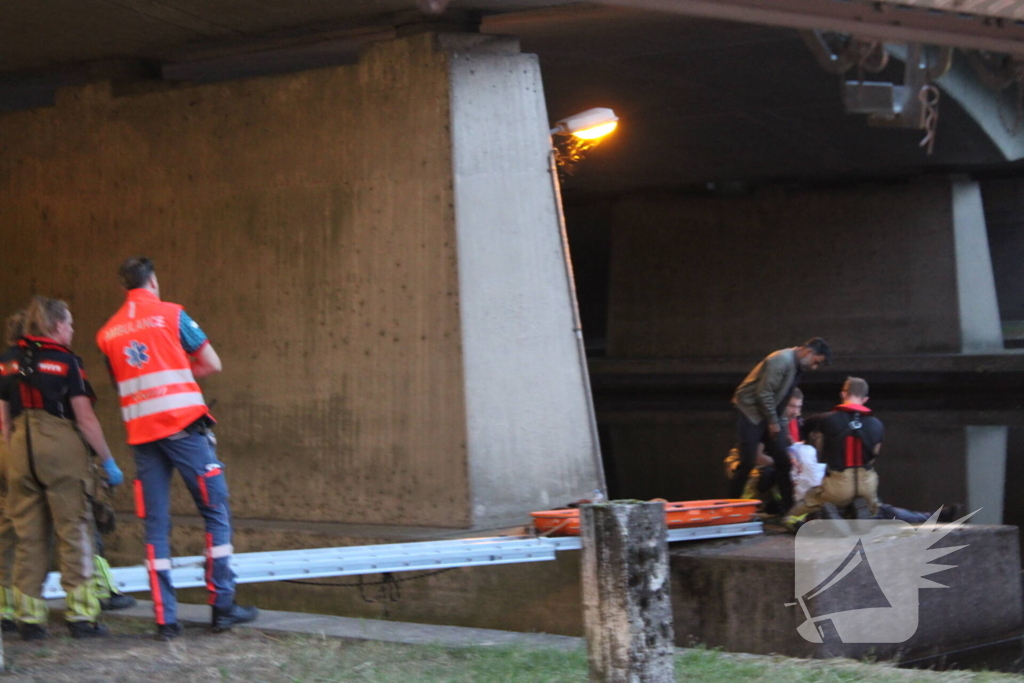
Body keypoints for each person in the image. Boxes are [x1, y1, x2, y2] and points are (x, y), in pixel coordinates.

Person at [96, 257, 257, 640]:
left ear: (124, 288)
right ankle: (222, 607)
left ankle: (165, 620)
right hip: (184, 428)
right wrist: (182, 371)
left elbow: (122, 382)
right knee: (215, 512)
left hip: (142, 436)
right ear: (152, 281)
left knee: (155, 525)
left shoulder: (108, 334)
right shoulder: (172, 315)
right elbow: (211, 363)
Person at [0, 296, 124, 640]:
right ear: (56, 326)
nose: (72, 329)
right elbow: (85, 419)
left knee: (29, 536)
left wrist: (13, 455)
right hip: (60, 449)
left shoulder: (7, 360)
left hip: (18, 448)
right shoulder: (67, 361)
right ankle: (81, 617)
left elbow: (3, 421)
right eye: (69, 323)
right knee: (74, 530)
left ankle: (29, 620)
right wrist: (108, 460)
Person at [730, 338, 831, 509]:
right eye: (816, 362)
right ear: (808, 352)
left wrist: (783, 428)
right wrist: (773, 422)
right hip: (751, 412)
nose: (815, 368)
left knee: (783, 461)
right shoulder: (781, 360)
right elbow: (764, 393)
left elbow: (783, 399)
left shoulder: (798, 367)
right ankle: (731, 506)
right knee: (747, 461)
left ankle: (788, 508)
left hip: (769, 413)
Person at [786, 377, 882, 522]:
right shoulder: (877, 424)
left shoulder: (825, 419)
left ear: (843, 394)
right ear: (865, 399)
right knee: (874, 508)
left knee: (793, 516)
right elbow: (874, 455)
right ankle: (858, 513)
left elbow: (803, 433)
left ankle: (822, 517)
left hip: (838, 485)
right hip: (867, 484)